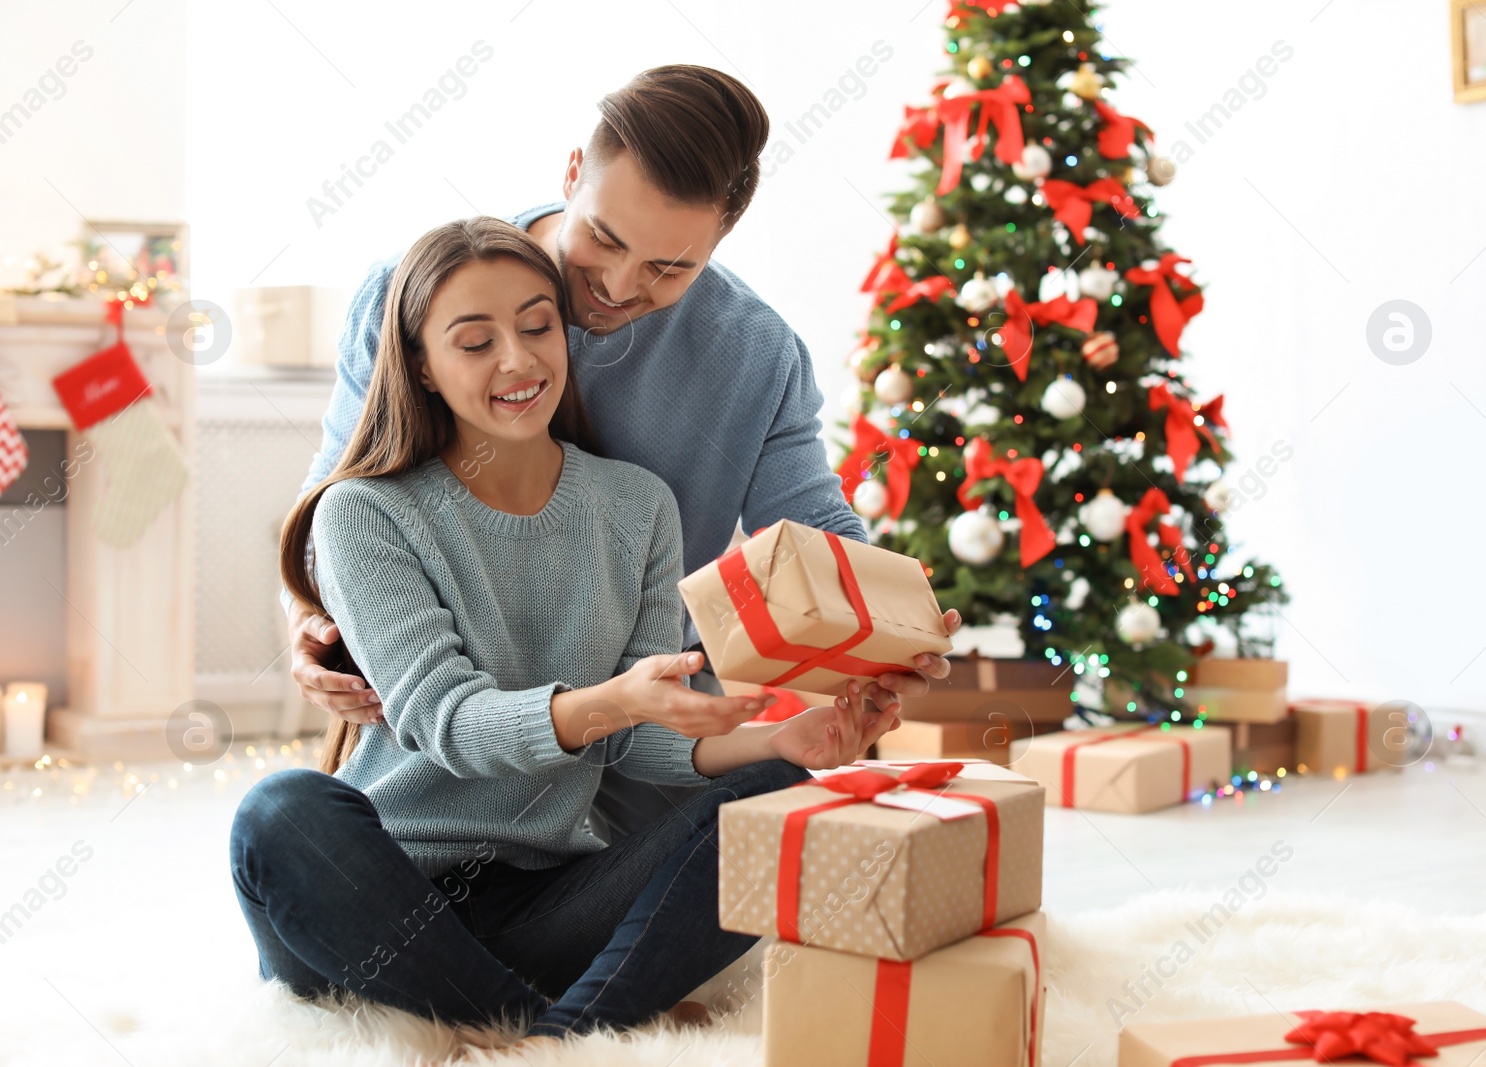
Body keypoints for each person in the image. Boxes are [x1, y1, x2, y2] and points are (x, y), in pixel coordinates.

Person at [233, 217, 898, 1042]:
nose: (517, 360)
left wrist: (778, 740)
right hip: (376, 900)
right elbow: (449, 723)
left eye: (538, 327)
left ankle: (531, 1033)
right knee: (279, 813)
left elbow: (637, 743)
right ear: (420, 366)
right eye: (474, 342)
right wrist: (612, 700)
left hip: (550, 903)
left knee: (778, 796)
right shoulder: (366, 514)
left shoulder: (635, 506)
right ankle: (559, 1030)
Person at [285, 64, 961, 843]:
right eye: (603, 237)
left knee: (749, 838)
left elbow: (808, 525)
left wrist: (892, 629)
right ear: (574, 173)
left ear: (719, 242)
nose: (615, 283)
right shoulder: (421, 294)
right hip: (447, 732)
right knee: (309, 831)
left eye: (669, 268)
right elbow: (340, 487)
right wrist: (308, 618)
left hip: (653, 726)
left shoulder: (755, 353)